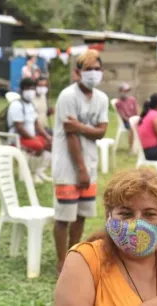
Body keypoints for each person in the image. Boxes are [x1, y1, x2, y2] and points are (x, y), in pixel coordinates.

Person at [55, 168, 157, 306]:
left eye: (149, 214)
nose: (137, 224)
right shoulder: (85, 262)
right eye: (126, 213)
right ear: (108, 216)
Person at [52, 49, 109, 275]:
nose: (94, 73)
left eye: (97, 69)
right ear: (78, 72)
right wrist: (81, 170)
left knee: (81, 214)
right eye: (88, 69)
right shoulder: (68, 96)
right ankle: (60, 262)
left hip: (90, 163)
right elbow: (70, 134)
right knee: (64, 216)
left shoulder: (102, 99)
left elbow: (102, 132)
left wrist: (81, 126)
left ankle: (73, 255)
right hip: (68, 165)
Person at [7, 77, 52, 182]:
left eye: (32, 88)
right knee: (39, 146)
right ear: (22, 90)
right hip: (18, 138)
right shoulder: (17, 105)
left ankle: (39, 171)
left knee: (50, 143)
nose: (31, 91)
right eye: (28, 88)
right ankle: (30, 173)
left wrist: (47, 136)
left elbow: (37, 124)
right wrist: (34, 138)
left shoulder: (30, 104)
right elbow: (19, 127)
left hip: (30, 136)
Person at [115, 82, 139, 152]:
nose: (126, 93)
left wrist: (137, 119)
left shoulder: (132, 99)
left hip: (135, 119)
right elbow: (123, 117)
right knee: (132, 127)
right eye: (124, 91)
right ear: (120, 91)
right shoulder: (118, 103)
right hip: (126, 122)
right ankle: (131, 149)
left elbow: (137, 111)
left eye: (127, 91)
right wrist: (132, 121)